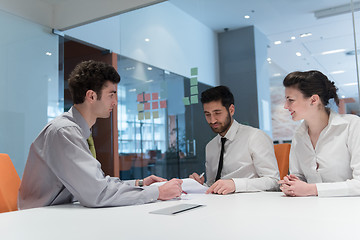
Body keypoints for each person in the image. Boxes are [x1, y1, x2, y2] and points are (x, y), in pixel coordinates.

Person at [18, 60, 182, 209]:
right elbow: (97, 193)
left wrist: (139, 183)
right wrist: (156, 193)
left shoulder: (78, 130)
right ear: (91, 96)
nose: (115, 102)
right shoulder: (64, 131)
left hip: (59, 211)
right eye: (111, 95)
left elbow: (96, 182)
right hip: (39, 217)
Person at [278, 70, 360, 197]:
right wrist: (291, 184)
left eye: (291, 100)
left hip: (349, 211)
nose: (285, 106)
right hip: (312, 210)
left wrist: (312, 189)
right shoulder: (298, 136)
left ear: (313, 100)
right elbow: (300, 177)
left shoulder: (352, 126)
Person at [189, 86, 279, 195]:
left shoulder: (255, 137)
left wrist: (235, 185)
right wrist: (198, 186)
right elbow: (212, 185)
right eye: (207, 114)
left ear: (231, 110)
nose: (212, 120)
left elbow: (273, 181)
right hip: (218, 206)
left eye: (217, 113)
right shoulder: (210, 146)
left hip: (250, 205)